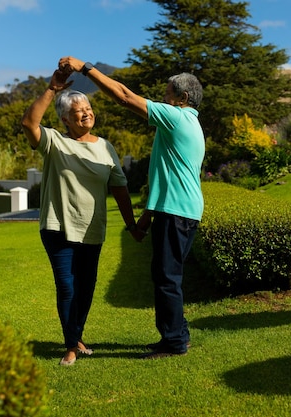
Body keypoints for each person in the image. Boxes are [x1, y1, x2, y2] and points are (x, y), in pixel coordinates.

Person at [58, 57, 205, 359]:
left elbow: (124, 97)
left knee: (167, 278)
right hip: (178, 209)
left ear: (183, 99)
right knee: (166, 275)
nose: (163, 99)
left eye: (168, 94)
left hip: (178, 213)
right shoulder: (188, 123)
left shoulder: (177, 117)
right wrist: (144, 221)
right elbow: (165, 180)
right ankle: (177, 335)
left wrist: (84, 68)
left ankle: (175, 343)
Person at [21, 68, 145, 366]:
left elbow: (120, 189)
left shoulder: (106, 148)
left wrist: (132, 226)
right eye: (78, 112)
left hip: (92, 229)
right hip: (58, 226)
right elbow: (29, 123)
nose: (85, 114)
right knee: (67, 286)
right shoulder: (54, 142)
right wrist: (52, 88)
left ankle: (75, 336)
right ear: (65, 119)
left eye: (88, 109)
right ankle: (71, 346)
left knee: (86, 287)